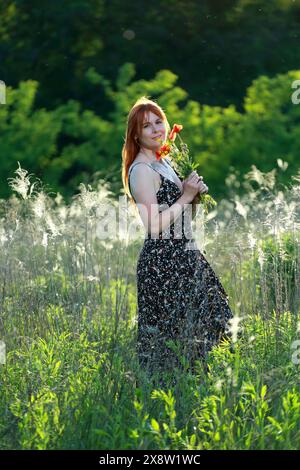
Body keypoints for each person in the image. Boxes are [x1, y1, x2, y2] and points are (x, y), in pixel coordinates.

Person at [122, 96, 234, 385]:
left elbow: (180, 218)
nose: (157, 129)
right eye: (147, 126)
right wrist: (184, 196)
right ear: (136, 134)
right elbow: (153, 224)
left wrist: (193, 197)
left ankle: (201, 389)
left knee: (216, 319)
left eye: (159, 121)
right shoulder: (141, 170)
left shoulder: (164, 163)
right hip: (162, 264)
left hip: (185, 254)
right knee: (170, 339)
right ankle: (164, 401)